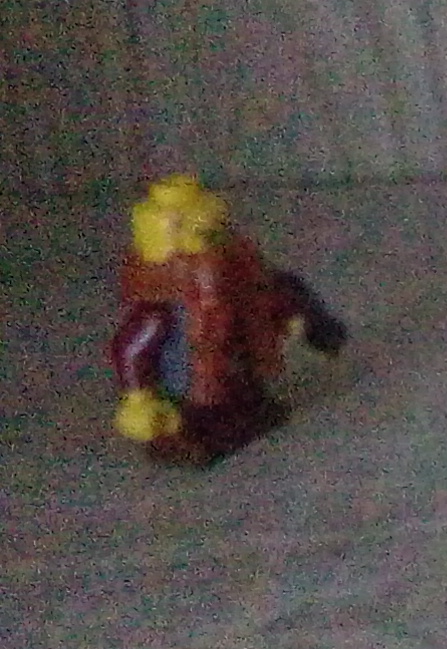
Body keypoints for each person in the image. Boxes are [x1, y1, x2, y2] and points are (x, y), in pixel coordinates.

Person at [111, 173, 347, 466]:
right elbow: (130, 348)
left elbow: (276, 291)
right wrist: (138, 399)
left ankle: (242, 412)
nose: (208, 270)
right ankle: (199, 432)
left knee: (246, 398)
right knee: (202, 416)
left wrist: (306, 322)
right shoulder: (162, 312)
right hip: (190, 391)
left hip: (241, 366)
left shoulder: (241, 277)